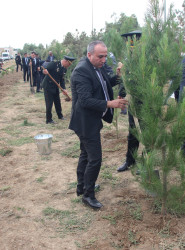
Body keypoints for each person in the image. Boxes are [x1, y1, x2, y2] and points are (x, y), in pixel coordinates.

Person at [69, 40, 128, 209]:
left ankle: (82, 187)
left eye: (105, 56)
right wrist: (110, 104)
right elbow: (85, 100)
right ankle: (88, 195)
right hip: (85, 122)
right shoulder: (81, 71)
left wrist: (117, 76)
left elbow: (104, 84)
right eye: (100, 57)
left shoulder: (96, 67)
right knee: (95, 159)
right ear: (89, 55)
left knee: (85, 155)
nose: (104, 60)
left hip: (90, 120)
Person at [42, 56, 74, 124]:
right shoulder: (54, 64)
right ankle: (49, 120)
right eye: (69, 64)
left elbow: (61, 80)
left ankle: (60, 116)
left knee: (57, 102)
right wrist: (45, 71)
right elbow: (44, 68)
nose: (69, 66)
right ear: (65, 61)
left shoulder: (64, 69)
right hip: (48, 86)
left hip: (56, 86)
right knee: (49, 103)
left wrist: (64, 89)